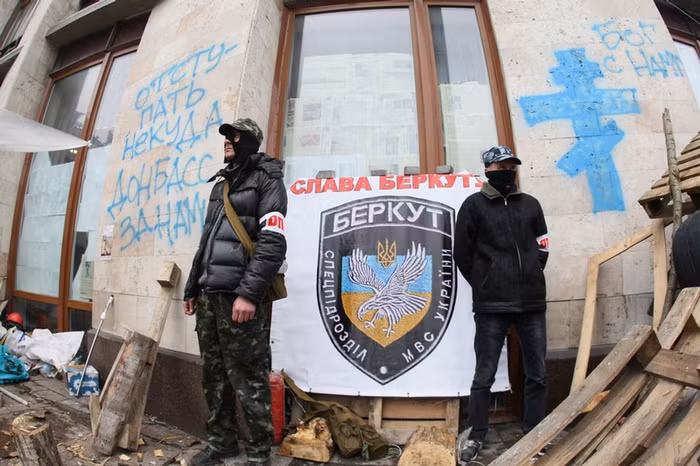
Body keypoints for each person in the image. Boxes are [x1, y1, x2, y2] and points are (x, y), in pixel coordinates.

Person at [183, 118, 287, 466]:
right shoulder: (221, 185)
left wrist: (249, 294)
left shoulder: (267, 180)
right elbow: (207, 242)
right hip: (209, 296)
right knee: (214, 378)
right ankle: (222, 443)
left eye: (235, 136)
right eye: (226, 136)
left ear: (251, 141)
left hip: (238, 296)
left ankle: (258, 454)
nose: (228, 141)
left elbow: (272, 243)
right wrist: (192, 287)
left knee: (249, 377)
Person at [454, 146, 550, 462]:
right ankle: (477, 434)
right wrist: (485, 282)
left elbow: (543, 246)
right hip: (491, 305)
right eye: (501, 166)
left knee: (538, 373)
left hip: (531, 302)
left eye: (511, 166)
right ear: (487, 170)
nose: (507, 171)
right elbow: (462, 253)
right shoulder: (473, 206)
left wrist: (532, 273)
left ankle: (535, 433)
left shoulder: (531, 204)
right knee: (484, 375)